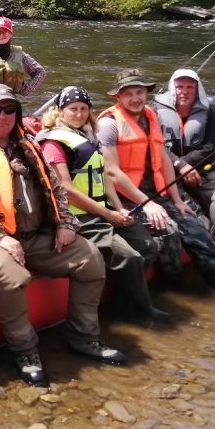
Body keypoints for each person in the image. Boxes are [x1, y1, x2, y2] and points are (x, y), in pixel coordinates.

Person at [0, 84, 125, 388]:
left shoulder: (29, 144)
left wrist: (66, 224)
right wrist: (0, 237)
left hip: (34, 233)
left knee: (91, 260)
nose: (2, 115)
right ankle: (26, 351)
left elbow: (55, 188)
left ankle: (83, 338)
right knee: (9, 276)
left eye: (9, 109)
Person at [96, 69, 215, 300]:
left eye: (139, 92)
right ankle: (172, 287)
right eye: (128, 94)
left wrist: (176, 199)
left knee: (194, 228)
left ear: (146, 94)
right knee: (169, 232)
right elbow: (111, 171)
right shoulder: (109, 124)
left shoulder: (149, 116)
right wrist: (147, 204)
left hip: (156, 193)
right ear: (118, 97)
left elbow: (164, 160)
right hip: (127, 198)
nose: (135, 98)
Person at [37, 86, 171, 323]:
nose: (78, 114)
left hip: (104, 210)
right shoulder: (53, 143)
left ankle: (121, 302)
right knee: (129, 258)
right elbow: (66, 190)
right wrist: (108, 215)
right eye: (72, 109)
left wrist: (119, 208)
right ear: (60, 111)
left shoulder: (87, 136)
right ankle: (143, 310)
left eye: (83, 109)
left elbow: (105, 177)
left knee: (148, 246)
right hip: (81, 217)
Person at [152, 69, 215, 256]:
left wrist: (188, 166)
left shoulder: (208, 112)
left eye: (190, 87)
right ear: (173, 88)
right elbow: (154, 145)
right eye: (180, 87)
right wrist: (181, 166)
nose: (184, 92)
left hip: (202, 169)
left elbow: (210, 148)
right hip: (164, 170)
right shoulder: (155, 110)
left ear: (197, 90)